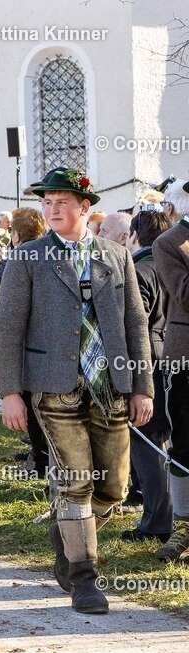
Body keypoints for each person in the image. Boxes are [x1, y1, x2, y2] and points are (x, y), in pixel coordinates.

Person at [0, 167, 153, 614]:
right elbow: (7, 327)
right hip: (53, 388)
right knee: (76, 482)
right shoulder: (28, 257)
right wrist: (11, 393)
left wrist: (142, 387)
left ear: (85, 207)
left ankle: (67, 535)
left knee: (114, 489)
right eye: (47, 202)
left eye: (62, 202)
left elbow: (135, 323)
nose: (52, 209)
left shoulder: (115, 255)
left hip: (112, 387)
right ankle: (84, 578)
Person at [121, 209, 173, 543]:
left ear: (135, 236)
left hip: (149, 364)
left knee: (148, 442)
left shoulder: (140, 271)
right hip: (173, 359)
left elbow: (135, 326)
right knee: (165, 440)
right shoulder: (171, 264)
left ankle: (157, 524)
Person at [0, 208, 50, 479]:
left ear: (15, 233)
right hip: (47, 342)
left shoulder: (19, 256)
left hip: (26, 341)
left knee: (33, 406)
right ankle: (42, 458)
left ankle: (41, 461)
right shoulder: (49, 251)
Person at [153, 180, 189, 561]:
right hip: (185, 355)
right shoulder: (170, 243)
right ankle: (183, 526)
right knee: (184, 442)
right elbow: (186, 295)